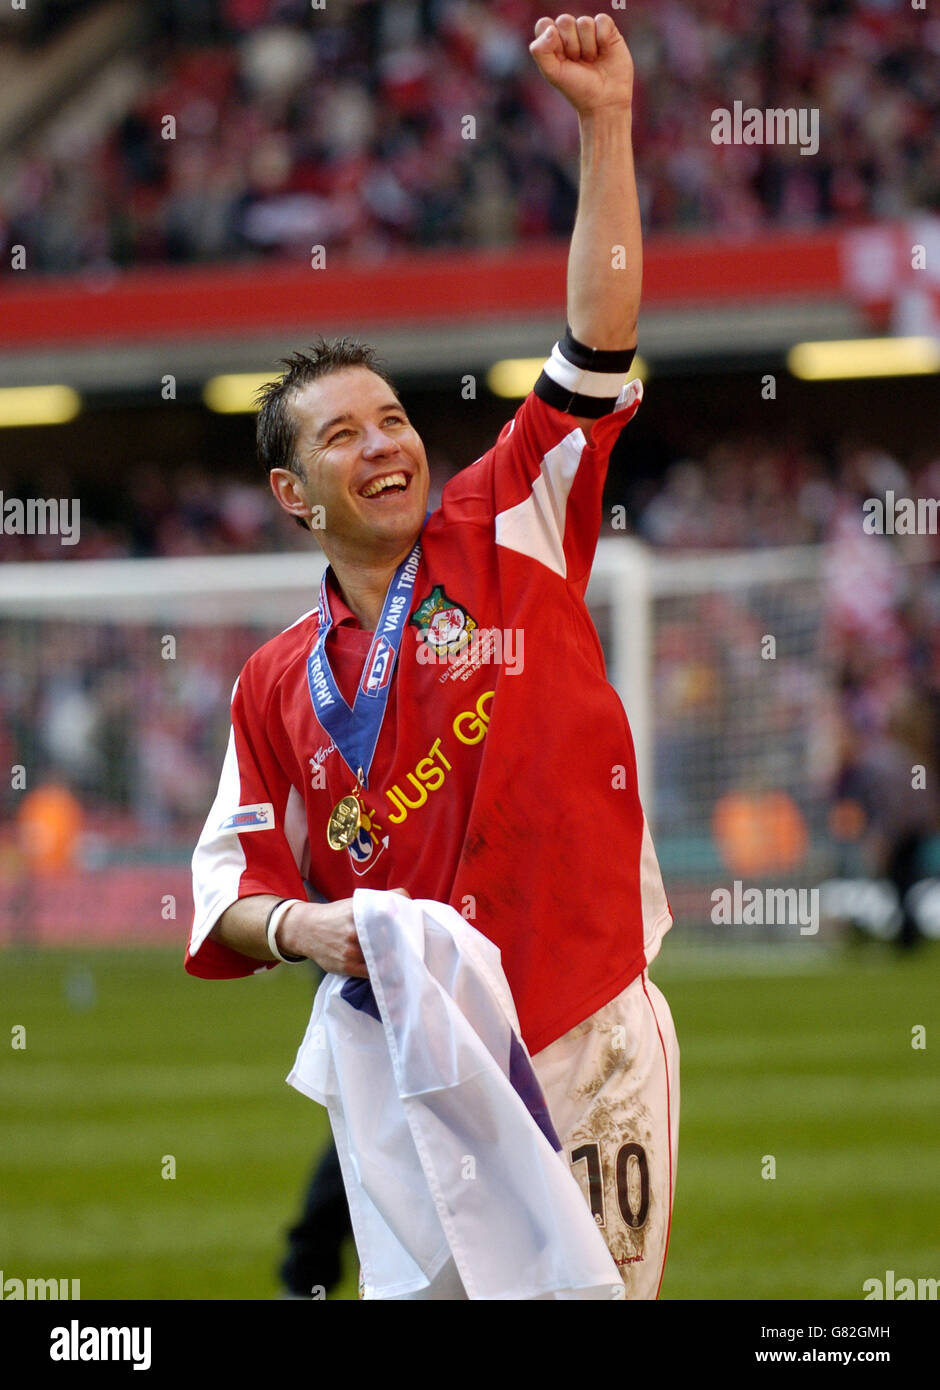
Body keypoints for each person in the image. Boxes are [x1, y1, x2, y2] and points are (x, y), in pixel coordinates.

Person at [187, 12, 679, 1299]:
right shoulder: (274, 682)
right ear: (297, 494)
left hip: (587, 1022)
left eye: (393, 416)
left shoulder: (510, 517)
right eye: (343, 435)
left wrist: (605, 122)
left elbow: (599, 331)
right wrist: (311, 928)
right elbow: (222, 895)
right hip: (418, 1063)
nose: (384, 441)